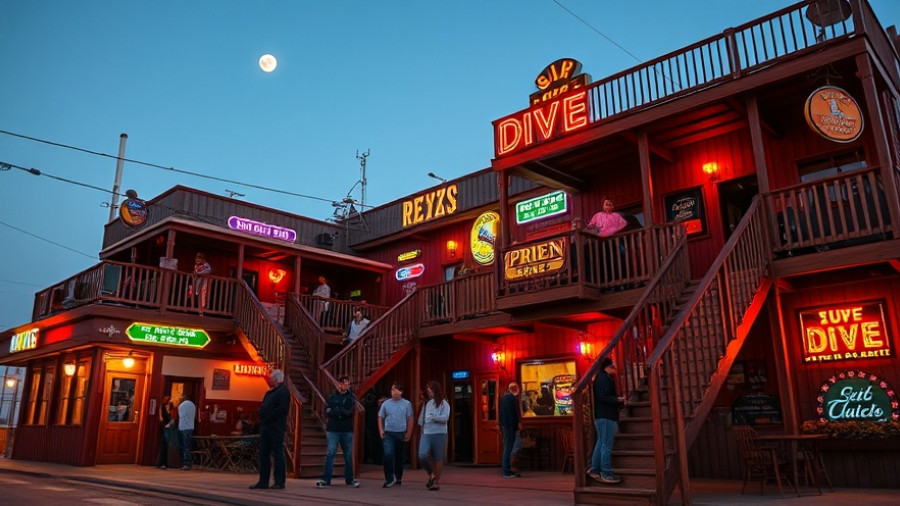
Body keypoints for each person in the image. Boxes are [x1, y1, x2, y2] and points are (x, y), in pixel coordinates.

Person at [316, 375, 360, 488]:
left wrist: (339, 410)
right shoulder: (331, 397)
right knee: (330, 453)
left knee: (348, 454)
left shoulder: (351, 397)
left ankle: (350, 479)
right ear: (339, 384)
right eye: (344, 383)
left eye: (348, 383)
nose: (346, 385)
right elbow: (328, 410)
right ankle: (326, 479)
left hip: (347, 430)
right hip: (333, 429)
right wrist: (340, 411)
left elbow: (350, 412)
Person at [250, 369, 290, 490]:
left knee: (277, 452)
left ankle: (279, 481)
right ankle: (263, 481)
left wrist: (268, 415)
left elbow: (282, 409)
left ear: (276, 379)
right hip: (266, 425)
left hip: (276, 425)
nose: (270, 380)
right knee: (264, 453)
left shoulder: (283, 391)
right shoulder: (270, 392)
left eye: (271, 378)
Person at [587, 357, 624, 485]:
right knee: (606, 445)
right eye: (613, 366)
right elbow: (603, 397)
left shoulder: (601, 377)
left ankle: (595, 469)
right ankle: (606, 473)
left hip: (601, 415)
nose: (615, 369)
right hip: (606, 415)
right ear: (608, 366)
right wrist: (618, 400)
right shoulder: (604, 378)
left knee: (601, 443)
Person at [378, 381, 414, 488]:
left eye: (395, 389)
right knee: (388, 454)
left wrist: (409, 433)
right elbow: (380, 417)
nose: (393, 391)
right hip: (388, 433)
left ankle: (398, 477)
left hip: (401, 433)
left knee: (399, 457)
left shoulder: (407, 404)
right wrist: (381, 430)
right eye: (392, 389)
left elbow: (410, 418)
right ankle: (389, 478)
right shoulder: (386, 404)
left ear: (401, 392)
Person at [417, 380, 450, 491]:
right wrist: (421, 428)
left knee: (438, 457)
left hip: (440, 433)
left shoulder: (444, 403)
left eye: (430, 388)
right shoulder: (427, 403)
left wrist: (434, 417)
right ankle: (431, 475)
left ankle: (436, 481)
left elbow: (445, 418)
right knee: (422, 454)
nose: (428, 390)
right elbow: (422, 417)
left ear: (435, 389)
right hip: (427, 432)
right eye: (427, 389)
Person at [499, 382, 522, 478]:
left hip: (505, 426)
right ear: (515, 389)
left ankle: (507, 470)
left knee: (507, 448)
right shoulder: (512, 399)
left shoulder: (503, 398)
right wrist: (517, 424)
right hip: (510, 427)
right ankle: (506, 471)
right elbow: (515, 413)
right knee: (509, 448)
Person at [177, 394, 197, 471]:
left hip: (182, 427)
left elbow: (180, 416)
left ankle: (184, 462)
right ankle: (187, 462)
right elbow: (194, 417)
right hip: (190, 427)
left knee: (183, 446)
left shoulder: (181, 405)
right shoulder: (193, 405)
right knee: (187, 446)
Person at [155, 395, 172, 469]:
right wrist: (165, 425)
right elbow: (161, 418)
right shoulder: (162, 407)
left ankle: (164, 462)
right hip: (164, 427)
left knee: (166, 445)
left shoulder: (170, 408)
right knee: (164, 444)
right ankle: (161, 462)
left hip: (168, 427)